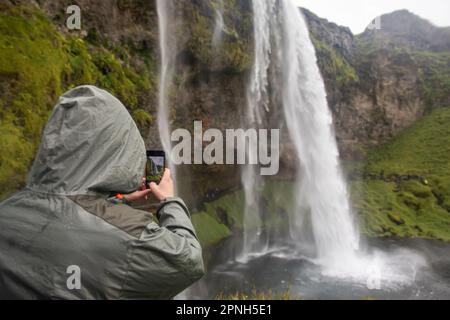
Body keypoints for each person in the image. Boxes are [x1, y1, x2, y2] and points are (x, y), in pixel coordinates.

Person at [0, 85, 205, 299]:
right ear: (119, 151)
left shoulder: (6, 211)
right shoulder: (127, 236)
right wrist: (169, 201)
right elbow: (188, 260)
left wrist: (116, 205)